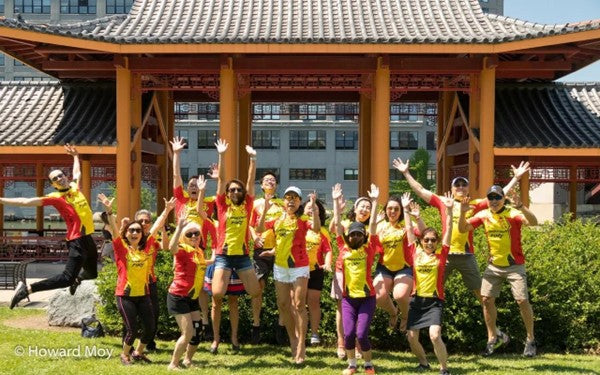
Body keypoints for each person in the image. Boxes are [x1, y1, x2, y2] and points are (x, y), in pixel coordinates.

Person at [393, 158, 530, 346]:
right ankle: (415, 332)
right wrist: (406, 173)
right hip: (444, 255)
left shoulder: (475, 204)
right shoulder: (443, 201)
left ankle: (495, 333)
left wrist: (515, 179)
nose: (460, 187)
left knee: (483, 297)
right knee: (426, 291)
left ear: (467, 188)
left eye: (463, 185)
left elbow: (498, 196)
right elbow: (421, 191)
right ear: (451, 188)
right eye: (456, 184)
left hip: (467, 256)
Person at [2, 144, 98, 308]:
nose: (60, 179)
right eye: (55, 179)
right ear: (53, 185)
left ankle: (77, 279)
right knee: (66, 278)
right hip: (77, 240)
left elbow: (77, 173)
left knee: (92, 273)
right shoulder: (55, 197)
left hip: (87, 238)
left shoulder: (75, 187)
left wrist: (75, 156)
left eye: (60, 175)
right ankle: (28, 289)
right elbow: (25, 201)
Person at [459, 185, 538, 357]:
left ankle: (530, 339)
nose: (494, 201)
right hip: (493, 266)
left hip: (515, 266)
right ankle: (493, 338)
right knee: (486, 300)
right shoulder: (484, 214)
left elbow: (534, 222)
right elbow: (463, 229)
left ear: (503, 198)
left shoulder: (512, 213)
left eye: (497, 197)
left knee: (522, 301)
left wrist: (521, 207)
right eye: (491, 197)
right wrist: (462, 212)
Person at [98, 193, 174, 365]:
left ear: (142, 234)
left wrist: (167, 210)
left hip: (144, 294)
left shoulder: (147, 247)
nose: (135, 232)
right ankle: (125, 354)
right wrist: (109, 211)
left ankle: (138, 352)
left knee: (150, 328)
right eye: (131, 230)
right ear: (127, 233)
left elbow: (156, 227)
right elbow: (115, 229)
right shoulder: (121, 248)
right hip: (125, 296)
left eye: (138, 230)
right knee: (132, 329)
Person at [256, 186, 320, 364]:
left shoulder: (303, 219)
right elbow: (260, 228)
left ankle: (301, 346)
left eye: (295, 198)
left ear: (300, 202)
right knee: (283, 305)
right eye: (288, 197)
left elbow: (315, 229)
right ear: (283, 201)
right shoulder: (277, 220)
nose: (291, 200)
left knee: (299, 305)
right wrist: (265, 209)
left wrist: (314, 208)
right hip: (280, 267)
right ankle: (293, 338)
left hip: (299, 266)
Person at [210, 138, 261, 354]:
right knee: (217, 296)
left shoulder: (247, 205)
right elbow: (220, 181)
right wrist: (221, 155)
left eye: (237, 190)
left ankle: (235, 337)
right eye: (231, 190)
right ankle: (215, 339)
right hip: (223, 255)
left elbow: (250, 181)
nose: (234, 192)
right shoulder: (222, 206)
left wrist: (253, 159)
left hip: (242, 257)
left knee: (255, 292)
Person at [331, 183, 381, 375]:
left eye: (359, 234)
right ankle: (352, 365)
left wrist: (375, 201)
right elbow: (336, 224)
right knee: (349, 334)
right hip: (348, 299)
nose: (355, 237)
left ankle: (368, 365)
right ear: (348, 236)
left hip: (367, 298)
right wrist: (335, 201)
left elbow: (374, 224)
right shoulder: (343, 247)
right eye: (352, 234)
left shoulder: (369, 248)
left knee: (361, 334)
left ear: (364, 235)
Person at [172, 136, 217, 339]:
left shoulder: (207, 202)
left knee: (202, 287)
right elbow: (176, 177)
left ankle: (203, 321)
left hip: (200, 249)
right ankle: (184, 324)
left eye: (196, 185)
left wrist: (216, 178)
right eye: (190, 185)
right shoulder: (181, 200)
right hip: (182, 251)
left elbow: (224, 194)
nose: (192, 187)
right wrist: (176, 154)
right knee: (182, 283)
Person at [403, 192, 453, 375]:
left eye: (433, 240)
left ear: (437, 242)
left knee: (434, 335)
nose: (430, 243)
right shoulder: (414, 252)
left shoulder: (441, 255)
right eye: (426, 240)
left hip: (434, 301)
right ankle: (423, 362)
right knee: (411, 338)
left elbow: (449, 231)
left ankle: (444, 368)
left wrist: (449, 211)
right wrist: (405, 209)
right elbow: (409, 230)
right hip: (416, 301)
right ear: (421, 241)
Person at [167, 214, 215, 370]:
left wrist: (214, 257)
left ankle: (187, 360)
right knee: (187, 333)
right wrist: (179, 228)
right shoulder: (182, 249)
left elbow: (202, 263)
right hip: (178, 296)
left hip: (192, 297)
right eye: (190, 234)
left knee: (197, 331)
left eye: (196, 233)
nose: (194, 236)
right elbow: (171, 248)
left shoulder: (198, 252)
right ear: (184, 237)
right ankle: (173, 364)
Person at [374, 195, 425, 332]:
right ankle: (393, 312)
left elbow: (423, 233)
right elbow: (369, 243)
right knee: (378, 297)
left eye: (396, 209)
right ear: (385, 210)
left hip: (404, 267)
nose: (392, 211)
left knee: (400, 296)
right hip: (384, 267)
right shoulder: (380, 226)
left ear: (401, 211)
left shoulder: (407, 224)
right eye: (390, 208)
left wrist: (417, 217)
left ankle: (406, 316)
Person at [249, 171, 285, 344]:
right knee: (258, 288)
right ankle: (256, 326)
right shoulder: (256, 204)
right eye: (267, 180)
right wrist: (254, 237)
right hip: (260, 250)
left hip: (279, 251)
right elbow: (249, 226)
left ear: (276, 185)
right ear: (261, 185)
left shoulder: (282, 204)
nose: (270, 182)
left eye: (273, 180)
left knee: (281, 291)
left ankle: (281, 328)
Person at [304, 198, 332, 345]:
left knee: (313, 303)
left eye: (315, 209)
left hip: (315, 271)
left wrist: (327, 263)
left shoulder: (322, 231)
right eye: (309, 208)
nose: (311, 210)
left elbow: (328, 250)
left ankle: (314, 333)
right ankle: (299, 333)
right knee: (297, 303)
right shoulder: (297, 227)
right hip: (297, 271)